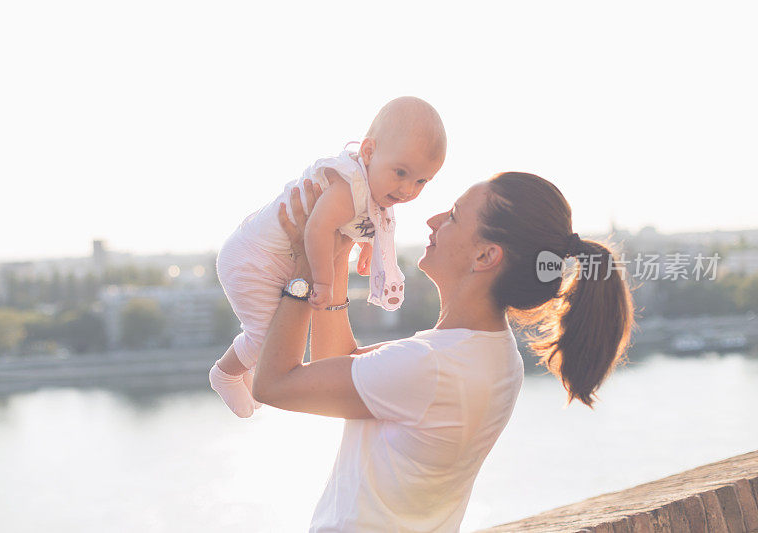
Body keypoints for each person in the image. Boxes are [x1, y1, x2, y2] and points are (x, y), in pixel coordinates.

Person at [252, 172, 636, 532]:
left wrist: (304, 266)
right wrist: (333, 256)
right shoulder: (495, 357)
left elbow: (273, 384)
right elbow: (333, 375)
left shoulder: (430, 365)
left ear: (486, 256)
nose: (433, 220)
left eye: (453, 216)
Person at [209, 96, 447, 418]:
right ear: (368, 152)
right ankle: (225, 373)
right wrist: (322, 280)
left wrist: (365, 244)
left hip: (270, 258)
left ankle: (244, 370)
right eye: (401, 172)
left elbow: (351, 225)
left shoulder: (370, 189)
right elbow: (317, 230)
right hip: (254, 260)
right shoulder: (349, 188)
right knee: (268, 337)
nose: (407, 189)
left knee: (274, 333)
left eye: (421, 181)